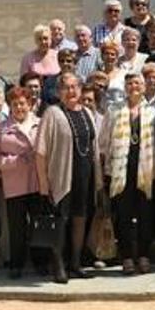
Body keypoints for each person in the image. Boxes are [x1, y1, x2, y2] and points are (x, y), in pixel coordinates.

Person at [36, 72, 104, 282]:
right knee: (61, 221)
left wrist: (99, 181)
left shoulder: (87, 113)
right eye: (66, 87)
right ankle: (58, 264)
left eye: (75, 86)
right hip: (61, 178)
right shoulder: (52, 113)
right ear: (58, 91)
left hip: (86, 176)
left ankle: (75, 262)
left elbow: (94, 147)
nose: (71, 91)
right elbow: (40, 152)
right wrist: (44, 183)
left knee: (80, 219)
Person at [99, 73, 155, 275]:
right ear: (125, 87)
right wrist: (104, 169)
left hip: (146, 170)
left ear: (144, 86)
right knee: (122, 216)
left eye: (138, 83)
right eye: (130, 83)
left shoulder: (152, 111)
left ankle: (143, 255)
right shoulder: (114, 110)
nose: (134, 86)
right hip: (120, 170)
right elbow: (104, 142)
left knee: (146, 216)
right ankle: (126, 258)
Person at [0, 87, 41, 279]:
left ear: (30, 104)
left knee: (38, 224)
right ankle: (16, 264)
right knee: (16, 227)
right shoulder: (1, 128)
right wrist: (14, 161)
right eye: (15, 104)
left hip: (38, 183)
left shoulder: (40, 124)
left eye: (23, 103)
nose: (19, 107)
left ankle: (39, 262)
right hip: (14, 184)